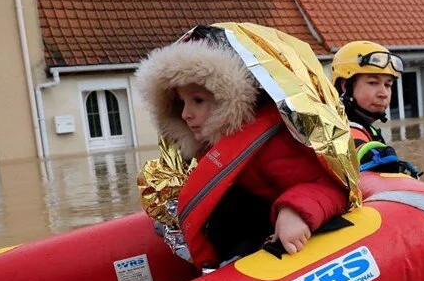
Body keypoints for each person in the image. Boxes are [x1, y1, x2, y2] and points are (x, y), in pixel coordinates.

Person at [135, 29, 349, 266]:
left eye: (198, 100)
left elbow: (332, 187)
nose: (185, 114)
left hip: (276, 248)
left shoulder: (271, 146)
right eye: (181, 103)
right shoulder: (212, 148)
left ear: (229, 98)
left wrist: (295, 212)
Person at [331, 40, 421, 177]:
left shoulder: (364, 127)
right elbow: (355, 146)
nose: (383, 93)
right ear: (345, 86)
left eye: (388, 85)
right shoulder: (341, 129)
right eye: (373, 83)